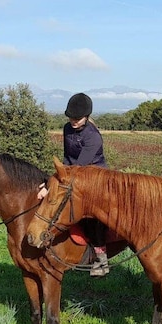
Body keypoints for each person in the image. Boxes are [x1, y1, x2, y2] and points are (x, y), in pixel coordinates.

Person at [38, 92, 110, 277]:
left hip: (95, 176)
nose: (73, 121)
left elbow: (79, 166)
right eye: (71, 117)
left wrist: (54, 181)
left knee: (92, 215)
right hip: (72, 172)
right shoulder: (67, 128)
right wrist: (50, 182)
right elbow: (66, 159)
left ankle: (101, 258)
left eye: (77, 118)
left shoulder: (93, 137)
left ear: (86, 117)